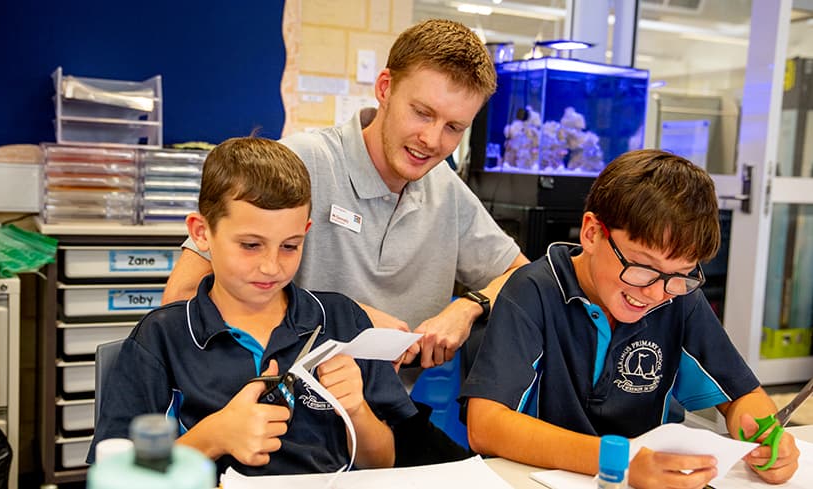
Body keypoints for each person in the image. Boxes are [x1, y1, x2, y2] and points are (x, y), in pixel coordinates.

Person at [162, 18, 528, 372]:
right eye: (421, 113)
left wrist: (469, 306)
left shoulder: (446, 189)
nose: (432, 140)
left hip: (387, 405)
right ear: (385, 87)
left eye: (454, 127)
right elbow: (182, 298)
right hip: (279, 399)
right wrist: (345, 319)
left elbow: (522, 276)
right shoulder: (299, 163)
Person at [461, 149, 800, 488]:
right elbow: (485, 425)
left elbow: (742, 395)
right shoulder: (533, 291)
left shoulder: (678, 298)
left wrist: (766, 437)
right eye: (642, 267)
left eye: (681, 273)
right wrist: (620, 462)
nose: (655, 293)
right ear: (592, 233)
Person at [89, 137, 417, 476]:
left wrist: (357, 410)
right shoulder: (162, 337)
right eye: (250, 245)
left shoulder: (342, 320)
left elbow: (383, 463)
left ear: (305, 232)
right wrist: (212, 437)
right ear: (201, 233)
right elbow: (116, 474)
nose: (271, 267)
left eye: (290, 246)